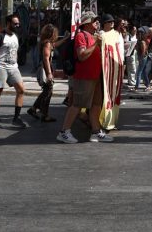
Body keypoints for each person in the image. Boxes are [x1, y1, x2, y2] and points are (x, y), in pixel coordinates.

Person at [57, 11, 112, 143]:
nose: (97, 23)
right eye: (94, 20)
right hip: (84, 77)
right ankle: (64, 132)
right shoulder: (81, 36)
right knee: (77, 105)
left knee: (96, 105)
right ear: (87, 23)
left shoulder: (94, 36)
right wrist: (95, 44)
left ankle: (95, 132)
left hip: (95, 77)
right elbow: (82, 55)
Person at [0, 14, 27, 128]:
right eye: (15, 23)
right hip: (1, 67)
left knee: (21, 90)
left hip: (13, 67)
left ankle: (16, 118)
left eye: (18, 23)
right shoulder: (0, 36)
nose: (17, 25)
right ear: (8, 23)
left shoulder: (15, 36)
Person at [28, 24, 62, 122]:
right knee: (48, 92)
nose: (56, 35)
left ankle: (35, 109)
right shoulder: (47, 43)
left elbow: (55, 45)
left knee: (46, 91)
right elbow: (46, 59)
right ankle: (43, 114)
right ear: (51, 33)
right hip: (45, 69)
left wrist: (65, 39)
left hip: (45, 69)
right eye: (55, 33)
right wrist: (49, 73)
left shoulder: (48, 43)